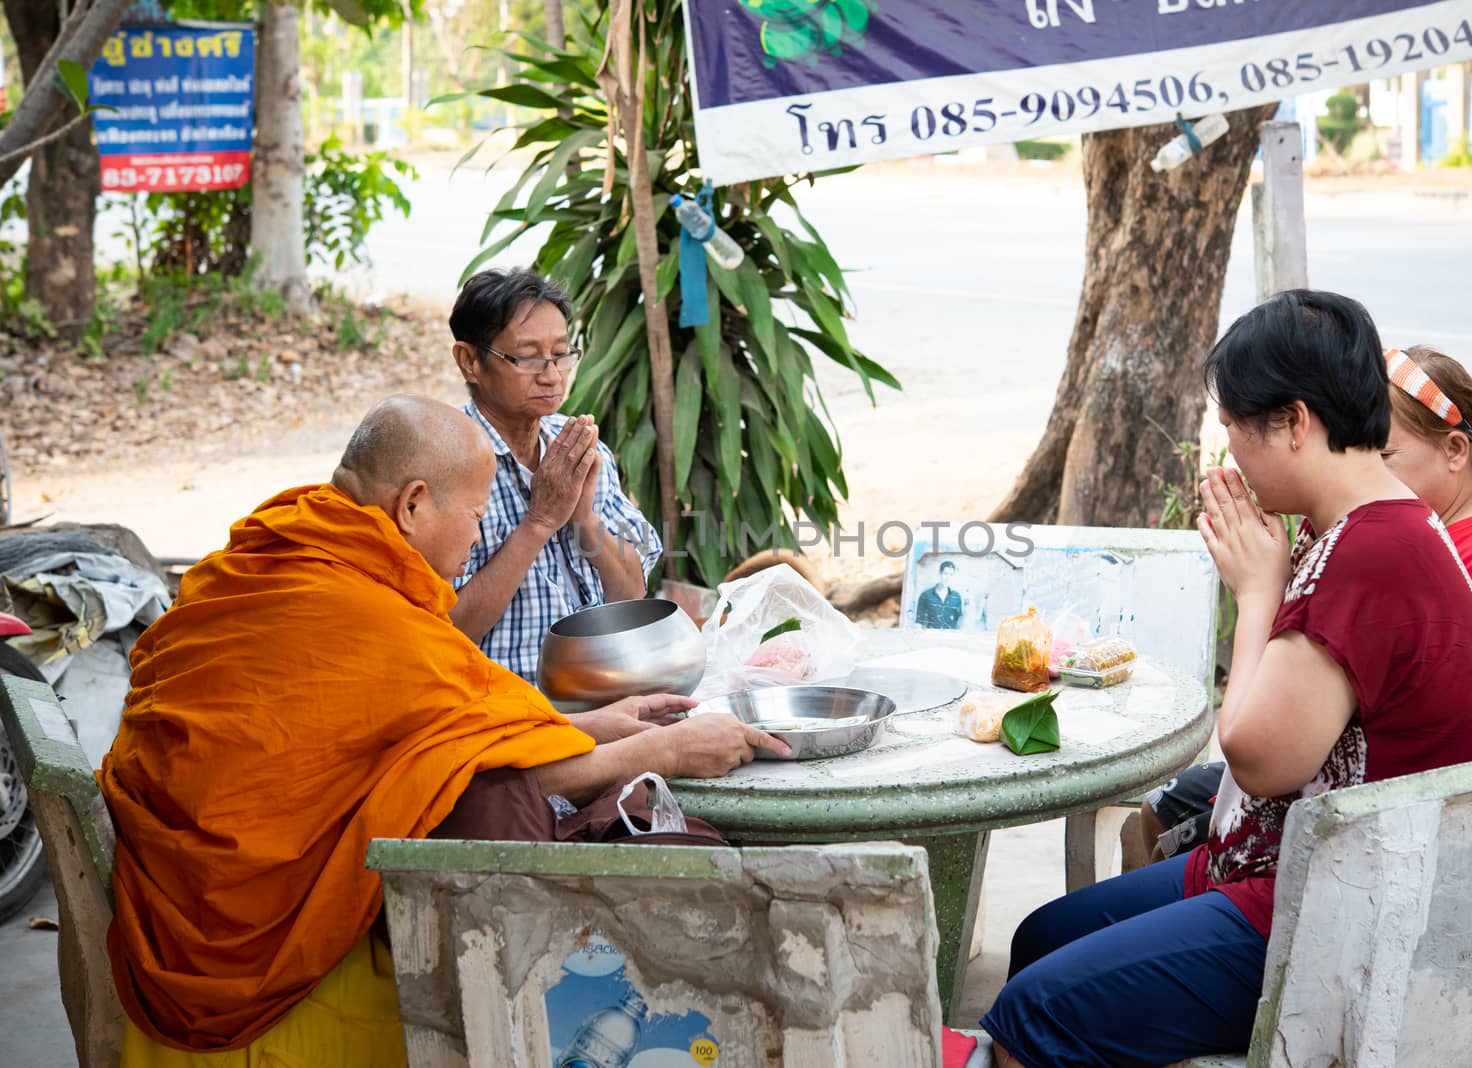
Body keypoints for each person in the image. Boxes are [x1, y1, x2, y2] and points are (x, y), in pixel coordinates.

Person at [101, 396, 785, 1065]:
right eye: (480, 515)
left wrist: (592, 724)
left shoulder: (284, 541)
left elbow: (429, 736)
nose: (478, 534)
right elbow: (453, 774)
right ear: (414, 503)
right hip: (247, 928)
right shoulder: (365, 613)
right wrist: (663, 749)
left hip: (177, 873)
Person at [979, 291, 1472, 1068]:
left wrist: (1258, 592)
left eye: (1231, 427)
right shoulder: (1369, 524)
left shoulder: (1373, 553)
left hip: (1333, 912)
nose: (1227, 452)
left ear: (1294, 423)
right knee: (1042, 938)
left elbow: (1258, 757)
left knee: (1034, 1014)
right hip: (1288, 860)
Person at [1137, 344, 1472, 865]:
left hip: (1446, 808)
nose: (1368, 473)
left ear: (1455, 451)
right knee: (1155, 809)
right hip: (1362, 761)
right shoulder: (1412, 533)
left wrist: (1265, 593)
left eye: (1383, 457)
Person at [446, 268, 663, 681]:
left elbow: (631, 592)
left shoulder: (579, 448)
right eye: (527, 357)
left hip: (599, 688)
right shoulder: (445, 462)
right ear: (470, 361)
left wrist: (584, 520)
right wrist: (541, 522)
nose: (551, 375)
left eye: (561, 354)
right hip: (504, 705)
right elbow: (446, 628)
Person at [915, 559, 963, 629]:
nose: (948, 578)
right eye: (945, 574)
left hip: (950, 637)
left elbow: (959, 621)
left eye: (951, 575)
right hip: (930, 636)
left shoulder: (956, 596)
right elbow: (919, 622)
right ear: (939, 574)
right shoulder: (925, 595)